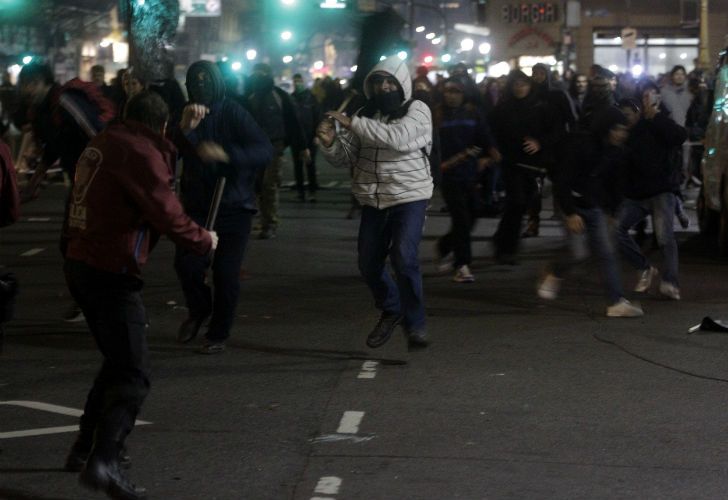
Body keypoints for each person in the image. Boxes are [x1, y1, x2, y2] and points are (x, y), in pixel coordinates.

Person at [63, 90, 218, 500]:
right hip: (110, 267)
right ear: (161, 124)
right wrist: (204, 240)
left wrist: (180, 135)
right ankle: (105, 460)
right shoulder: (138, 152)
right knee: (133, 371)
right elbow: (165, 209)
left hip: (81, 259)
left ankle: (84, 447)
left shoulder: (106, 141)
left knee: (118, 360)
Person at [317, 57, 433, 350]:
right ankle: (392, 307)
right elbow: (347, 157)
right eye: (378, 82)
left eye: (390, 81)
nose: (384, 87)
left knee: (404, 258)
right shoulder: (364, 114)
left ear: (402, 83)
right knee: (368, 263)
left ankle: (416, 324)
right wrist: (330, 142)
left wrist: (353, 123)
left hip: (410, 196)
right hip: (373, 198)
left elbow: (398, 138)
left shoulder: (417, 110)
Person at [174, 60, 273, 354]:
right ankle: (199, 309)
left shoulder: (233, 112)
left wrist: (226, 154)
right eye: (195, 81)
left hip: (234, 205)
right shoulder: (186, 113)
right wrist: (184, 130)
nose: (200, 85)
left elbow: (263, 149)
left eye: (206, 80)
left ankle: (218, 333)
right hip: (197, 205)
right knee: (187, 265)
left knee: (226, 275)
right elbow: (168, 152)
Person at [538, 106, 643, 317]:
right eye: (617, 129)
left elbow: (616, 185)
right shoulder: (581, 146)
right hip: (571, 204)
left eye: (624, 130)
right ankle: (554, 272)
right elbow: (562, 181)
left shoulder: (617, 152)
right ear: (606, 129)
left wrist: (613, 212)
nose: (621, 134)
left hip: (594, 207)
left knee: (607, 252)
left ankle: (616, 303)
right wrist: (569, 213)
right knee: (578, 254)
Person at [616, 84, 687, 300]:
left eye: (629, 115)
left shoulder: (658, 122)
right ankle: (644, 267)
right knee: (616, 230)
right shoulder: (626, 132)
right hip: (636, 193)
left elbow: (679, 136)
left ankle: (670, 282)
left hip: (660, 190)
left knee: (665, 238)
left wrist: (656, 118)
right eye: (623, 116)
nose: (626, 119)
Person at [490, 70, 563, 264]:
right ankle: (507, 248)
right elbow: (491, 130)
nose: (519, 87)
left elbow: (555, 131)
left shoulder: (540, 107)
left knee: (522, 202)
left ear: (530, 86)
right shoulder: (503, 108)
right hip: (510, 162)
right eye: (516, 84)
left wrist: (540, 143)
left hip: (532, 165)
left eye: (523, 84)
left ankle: (501, 239)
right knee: (517, 201)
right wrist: (493, 149)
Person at [434, 75, 498, 283]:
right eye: (448, 91)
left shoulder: (473, 112)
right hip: (448, 175)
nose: (451, 96)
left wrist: (490, 152)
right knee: (461, 218)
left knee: (473, 215)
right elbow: (430, 146)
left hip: (470, 173)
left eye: (456, 92)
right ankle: (462, 264)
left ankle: (445, 245)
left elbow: (484, 136)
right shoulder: (437, 115)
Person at [246, 63, 309, 239]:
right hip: (255, 147)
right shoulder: (250, 97)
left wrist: (303, 146)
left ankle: (270, 223)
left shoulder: (280, 96)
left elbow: (294, 122)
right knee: (257, 185)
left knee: (269, 185)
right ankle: (264, 219)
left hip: (275, 146)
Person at [290, 73, 321, 202]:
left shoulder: (311, 98)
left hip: (309, 137)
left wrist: (317, 135)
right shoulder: (290, 98)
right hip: (296, 138)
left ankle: (312, 192)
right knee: (297, 166)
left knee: (310, 165)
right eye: (295, 81)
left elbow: (318, 118)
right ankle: (300, 192)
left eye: (299, 81)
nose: (297, 84)